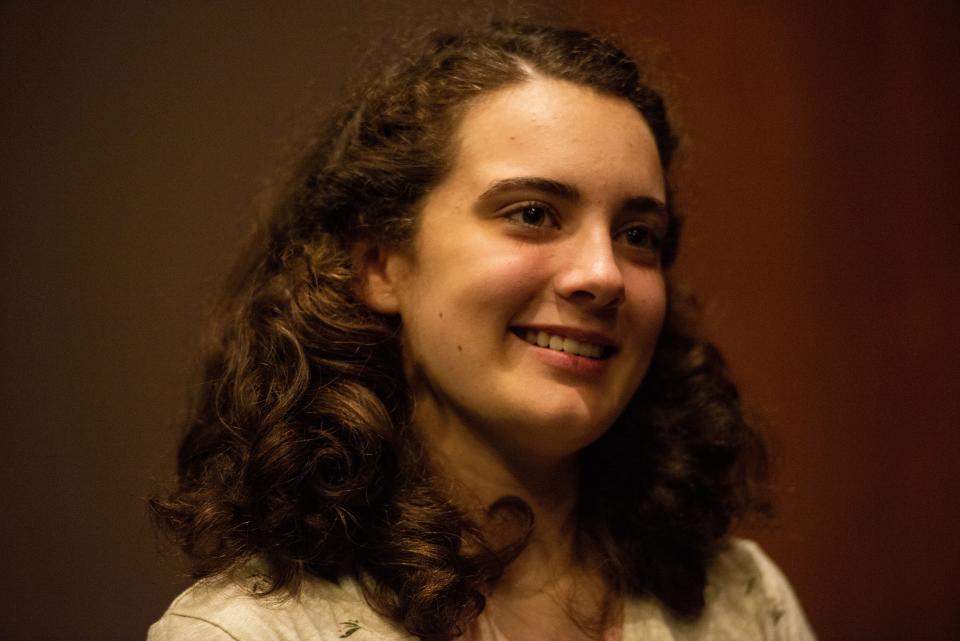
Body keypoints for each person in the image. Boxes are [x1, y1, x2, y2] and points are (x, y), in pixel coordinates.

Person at [147, 20, 815, 641]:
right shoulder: (248, 632)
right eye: (533, 213)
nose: (604, 274)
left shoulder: (743, 600)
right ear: (380, 263)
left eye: (638, 234)